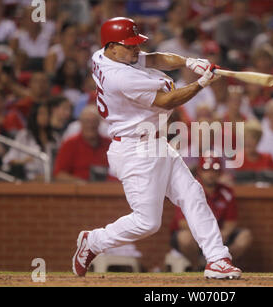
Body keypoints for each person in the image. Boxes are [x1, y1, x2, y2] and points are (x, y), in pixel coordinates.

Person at [72, 17, 242, 279]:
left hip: (155, 142)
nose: (135, 50)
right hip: (135, 151)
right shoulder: (121, 78)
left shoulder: (105, 55)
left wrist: (188, 61)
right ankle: (93, 241)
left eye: (135, 44)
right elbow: (166, 101)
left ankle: (217, 258)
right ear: (112, 46)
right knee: (147, 222)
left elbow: (153, 59)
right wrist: (200, 84)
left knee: (193, 194)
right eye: (129, 46)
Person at [170, 155, 252, 271]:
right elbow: (182, 223)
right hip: (196, 237)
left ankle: (222, 263)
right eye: (206, 170)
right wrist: (207, 237)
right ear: (199, 172)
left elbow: (231, 222)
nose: (210, 174)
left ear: (220, 173)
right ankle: (198, 267)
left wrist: (220, 236)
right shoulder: (189, 189)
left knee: (245, 236)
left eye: (214, 170)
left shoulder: (226, 192)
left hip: (219, 236)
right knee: (184, 238)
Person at [53, 106, 111, 183]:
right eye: (87, 121)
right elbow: (59, 174)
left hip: (108, 189)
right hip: (78, 191)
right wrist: (81, 184)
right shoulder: (70, 144)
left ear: (99, 123)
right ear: (80, 123)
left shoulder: (109, 144)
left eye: (94, 121)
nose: (90, 125)